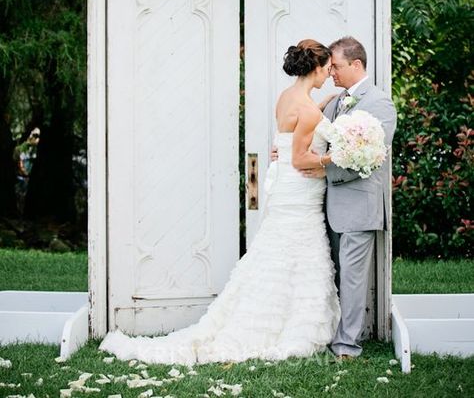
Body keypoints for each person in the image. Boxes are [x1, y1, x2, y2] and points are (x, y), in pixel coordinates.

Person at [100, 39, 340, 365]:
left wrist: (325, 104)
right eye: (327, 69)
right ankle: (288, 323)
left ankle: (265, 313)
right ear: (316, 67)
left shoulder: (287, 98)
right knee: (297, 254)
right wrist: (332, 159)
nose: (328, 74)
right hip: (300, 190)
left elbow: (286, 145)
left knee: (276, 254)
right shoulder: (310, 111)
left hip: (285, 189)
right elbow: (300, 159)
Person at [301, 36, 397, 359]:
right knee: (337, 276)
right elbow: (317, 139)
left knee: (354, 280)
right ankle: (331, 334)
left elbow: (369, 158)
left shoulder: (380, 103)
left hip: (359, 205)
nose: (332, 73)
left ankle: (347, 346)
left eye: (337, 67)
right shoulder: (334, 101)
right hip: (331, 206)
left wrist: (323, 172)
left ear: (357, 65)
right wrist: (288, 151)